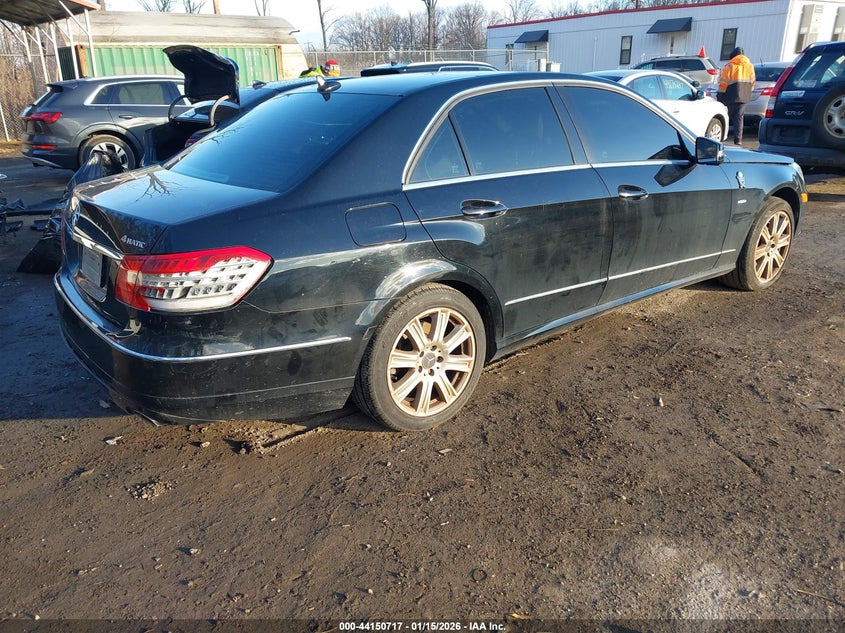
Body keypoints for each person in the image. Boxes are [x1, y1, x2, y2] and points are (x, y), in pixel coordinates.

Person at [718, 46, 756, 145]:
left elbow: (723, 82)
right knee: (739, 117)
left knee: (726, 115)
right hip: (744, 95)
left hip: (731, 95)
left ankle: (721, 137)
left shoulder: (730, 65)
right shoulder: (750, 66)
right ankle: (738, 139)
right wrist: (749, 92)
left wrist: (720, 95)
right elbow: (752, 81)